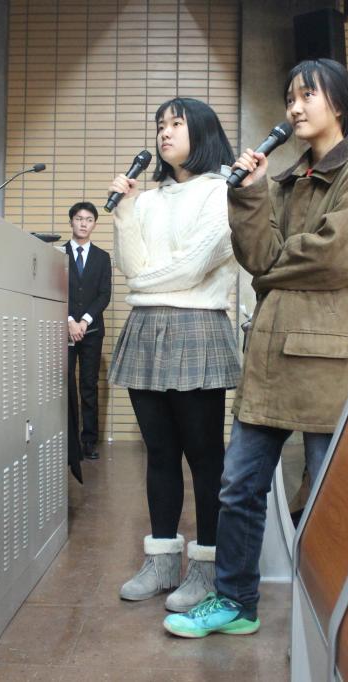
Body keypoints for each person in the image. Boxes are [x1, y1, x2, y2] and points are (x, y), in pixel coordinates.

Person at [163, 58, 348, 638]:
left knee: (326, 494)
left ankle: (329, 618)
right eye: (290, 98)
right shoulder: (289, 178)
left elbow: (333, 257)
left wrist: (274, 264)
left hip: (328, 360)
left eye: (306, 96)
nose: (294, 108)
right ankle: (236, 602)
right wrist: (251, 195)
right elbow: (257, 257)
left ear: (338, 103)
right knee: (238, 487)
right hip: (272, 357)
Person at [107, 97, 240, 612]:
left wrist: (143, 284)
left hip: (198, 326)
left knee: (204, 457)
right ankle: (162, 561)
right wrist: (124, 213)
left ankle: (206, 567)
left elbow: (193, 266)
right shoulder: (148, 200)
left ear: (201, 131)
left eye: (176, 124)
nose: (164, 133)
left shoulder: (222, 191)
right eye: (160, 125)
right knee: (159, 453)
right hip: (146, 327)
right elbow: (131, 264)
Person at [65, 201, 111, 461]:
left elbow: (104, 294)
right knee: (64, 385)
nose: (83, 223)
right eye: (79, 218)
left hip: (92, 331)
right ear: (71, 221)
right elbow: (53, 288)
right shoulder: (57, 253)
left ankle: (89, 441)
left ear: (94, 224)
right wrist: (69, 320)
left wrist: (84, 321)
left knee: (89, 386)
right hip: (63, 330)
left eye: (89, 219)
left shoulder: (102, 257)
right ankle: (67, 441)